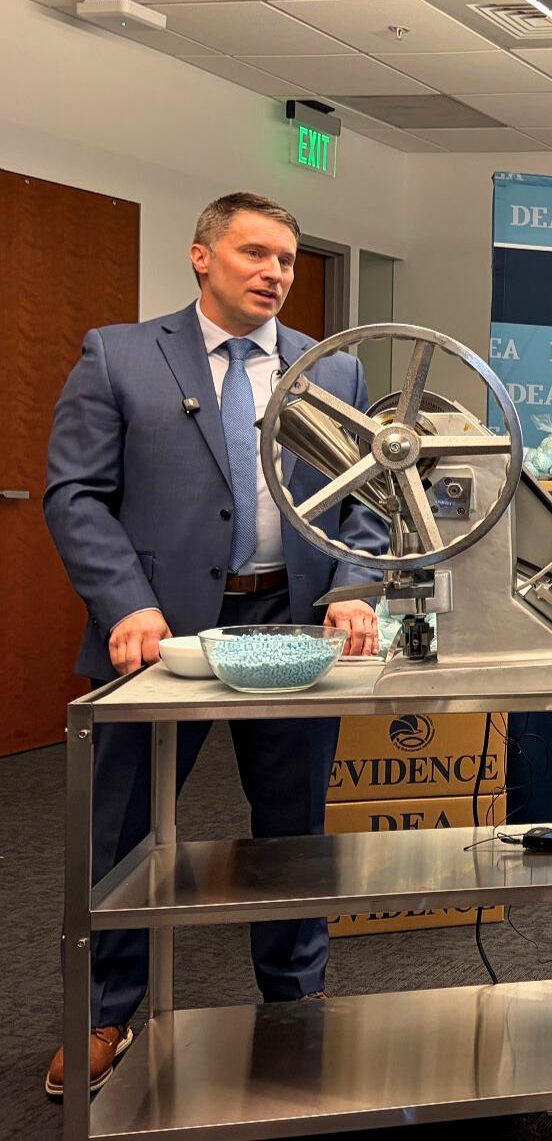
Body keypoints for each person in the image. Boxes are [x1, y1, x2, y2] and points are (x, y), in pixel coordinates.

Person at [42, 192, 387, 1097]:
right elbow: (75, 494)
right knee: (123, 831)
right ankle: (104, 1013)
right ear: (202, 257)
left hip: (293, 626)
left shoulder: (331, 371)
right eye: (255, 253)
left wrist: (355, 586)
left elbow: (366, 501)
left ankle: (295, 1000)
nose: (275, 272)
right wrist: (126, 602)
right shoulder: (119, 354)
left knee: (293, 831)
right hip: (161, 635)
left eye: (286, 258)